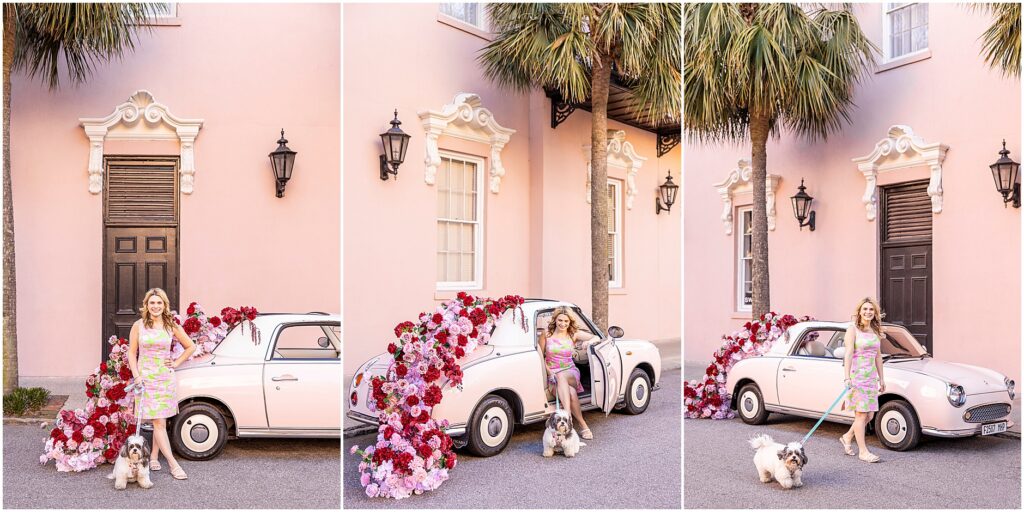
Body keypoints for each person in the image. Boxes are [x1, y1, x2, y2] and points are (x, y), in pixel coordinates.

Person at [127, 288, 195, 480]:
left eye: (159, 303)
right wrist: (137, 376)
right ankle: (173, 464)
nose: (155, 306)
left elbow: (191, 346)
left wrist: (176, 362)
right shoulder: (138, 326)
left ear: (164, 305)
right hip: (145, 379)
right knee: (158, 421)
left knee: (160, 420)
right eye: (152, 303)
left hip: (164, 379)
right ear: (146, 305)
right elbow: (132, 353)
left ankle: (156, 457)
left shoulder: (170, 325)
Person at [839, 297, 886, 463]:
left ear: (875, 313)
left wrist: (882, 379)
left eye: (871, 309)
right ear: (859, 312)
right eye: (865, 309)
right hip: (858, 377)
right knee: (861, 415)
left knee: (869, 416)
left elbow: (878, 356)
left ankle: (847, 436)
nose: (868, 312)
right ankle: (863, 452)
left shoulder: (876, 331)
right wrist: (847, 377)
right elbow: (849, 354)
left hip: (871, 378)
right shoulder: (853, 330)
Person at [538, 307, 596, 440]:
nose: (563, 324)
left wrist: (589, 342)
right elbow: (541, 357)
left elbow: (596, 337)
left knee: (561, 376)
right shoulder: (546, 334)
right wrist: (549, 372)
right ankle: (583, 426)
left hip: (571, 373)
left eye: (566, 321)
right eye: (560, 320)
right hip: (552, 376)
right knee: (571, 392)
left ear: (570, 322)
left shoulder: (573, 334)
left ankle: (567, 417)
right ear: (555, 320)